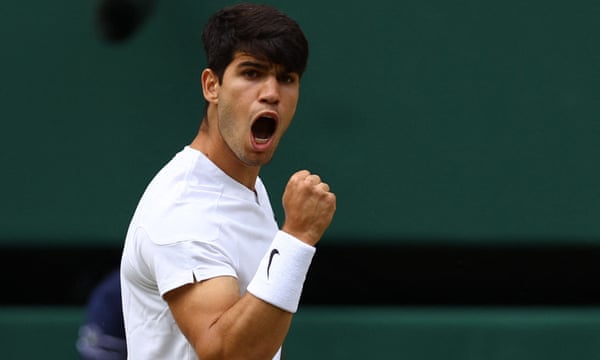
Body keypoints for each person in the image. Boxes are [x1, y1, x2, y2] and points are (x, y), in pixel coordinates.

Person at [119, 3, 336, 359]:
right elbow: (225, 354)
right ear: (212, 86)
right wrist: (298, 236)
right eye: (252, 73)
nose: (271, 93)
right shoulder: (184, 210)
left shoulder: (243, 184)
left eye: (287, 78)